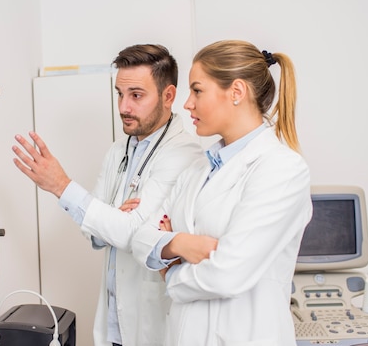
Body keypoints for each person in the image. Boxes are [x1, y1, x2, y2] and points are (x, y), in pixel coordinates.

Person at [12, 44, 205, 346]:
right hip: (113, 326)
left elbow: (132, 234)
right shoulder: (119, 150)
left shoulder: (183, 154)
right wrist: (113, 218)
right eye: (119, 93)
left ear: (168, 96)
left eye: (136, 95)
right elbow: (97, 236)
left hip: (151, 327)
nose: (123, 107)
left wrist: (63, 186)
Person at [130, 40, 313, 346]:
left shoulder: (282, 170)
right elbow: (139, 237)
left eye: (197, 90)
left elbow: (228, 272)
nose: (187, 104)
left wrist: (171, 274)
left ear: (237, 92)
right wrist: (180, 243)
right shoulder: (196, 171)